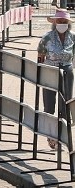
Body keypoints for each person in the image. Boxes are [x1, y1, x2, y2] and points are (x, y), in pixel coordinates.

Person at [36, 9, 75, 149]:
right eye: (59, 21)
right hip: (50, 72)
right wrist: (39, 74)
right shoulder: (46, 38)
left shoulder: (73, 38)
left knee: (65, 105)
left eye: (64, 22)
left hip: (67, 73)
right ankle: (51, 136)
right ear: (54, 22)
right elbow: (40, 56)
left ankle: (63, 136)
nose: (62, 24)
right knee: (49, 105)